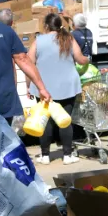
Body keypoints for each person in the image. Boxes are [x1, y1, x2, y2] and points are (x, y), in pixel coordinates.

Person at [28, 12, 88, 165]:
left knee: (45, 120)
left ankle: (45, 156)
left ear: (46, 26)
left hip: (44, 88)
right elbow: (81, 59)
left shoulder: (38, 41)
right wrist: (88, 59)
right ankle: (67, 156)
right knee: (65, 120)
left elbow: (28, 64)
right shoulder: (68, 38)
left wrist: (29, 86)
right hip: (68, 85)